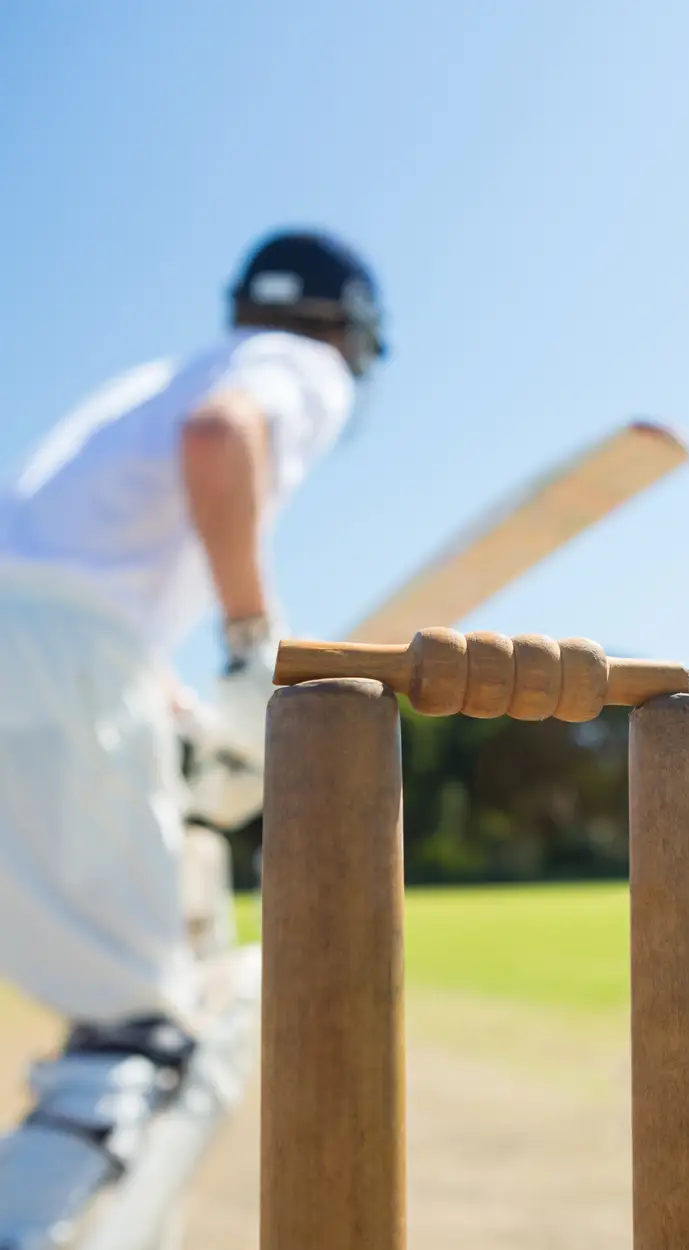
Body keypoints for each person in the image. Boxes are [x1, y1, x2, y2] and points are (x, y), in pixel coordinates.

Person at [0, 228, 386, 1155]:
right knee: (135, 1025)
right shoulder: (301, 366)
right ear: (350, 329)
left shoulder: (148, 381)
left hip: (46, 646)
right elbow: (219, 438)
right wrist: (255, 641)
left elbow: (65, 568)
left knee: (98, 987)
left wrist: (166, 704)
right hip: (61, 657)